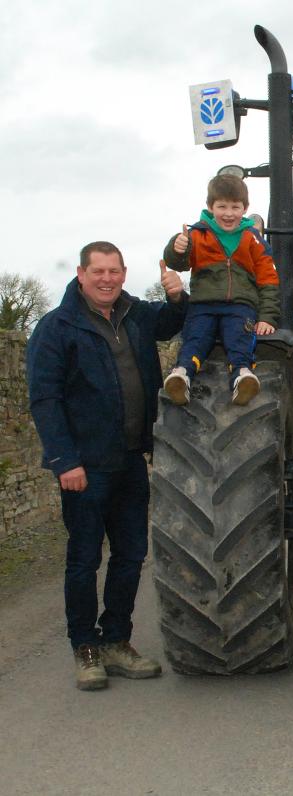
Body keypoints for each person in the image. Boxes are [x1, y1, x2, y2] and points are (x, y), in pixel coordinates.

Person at [26, 241, 187, 690]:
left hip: (131, 460)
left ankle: (116, 640)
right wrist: (64, 460)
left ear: (124, 274)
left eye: (114, 271)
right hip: (84, 467)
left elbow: (172, 322)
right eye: (98, 271)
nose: (107, 279)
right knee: (83, 559)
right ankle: (85, 648)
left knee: (131, 556)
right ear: (81, 274)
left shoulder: (135, 315)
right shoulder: (57, 327)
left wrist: (177, 295)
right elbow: (45, 398)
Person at [161, 174, 279, 406]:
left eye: (235, 207)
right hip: (203, 304)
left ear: (245, 208)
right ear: (210, 207)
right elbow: (178, 263)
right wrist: (177, 247)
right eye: (222, 206)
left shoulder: (253, 239)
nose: (228, 213)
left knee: (239, 338)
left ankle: (242, 375)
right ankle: (181, 375)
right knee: (196, 337)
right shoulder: (197, 235)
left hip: (240, 306)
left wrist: (267, 317)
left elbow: (268, 279)